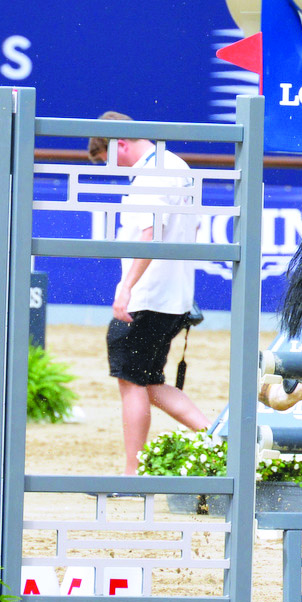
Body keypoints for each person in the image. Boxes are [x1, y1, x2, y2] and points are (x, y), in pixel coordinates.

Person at [88, 112, 208, 475]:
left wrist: (126, 286)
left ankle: (131, 474)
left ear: (119, 143)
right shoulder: (178, 165)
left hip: (148, 295)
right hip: (175, 295)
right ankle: (217, 441)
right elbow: (194, 224)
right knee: (150, 381)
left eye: (108, 157)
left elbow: (149, 234)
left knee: (132, 381)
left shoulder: (151, 174)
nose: (113, 167)